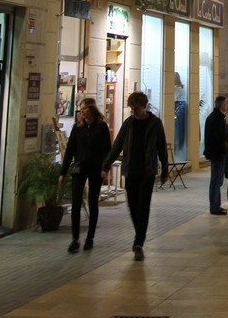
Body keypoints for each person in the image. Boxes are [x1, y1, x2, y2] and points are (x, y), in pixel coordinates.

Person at [101, 91, 168, 261]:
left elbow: (161, 148)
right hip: (130, 170)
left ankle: (139, 243)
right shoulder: (128, 124)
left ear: (143, 106)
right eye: (132, 108)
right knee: (132, 205)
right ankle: (139, 234)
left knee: (143, 205)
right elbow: (117, 146)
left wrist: (165, 170)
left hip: (148, 171)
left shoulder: (155, 123)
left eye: (136, 108)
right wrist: (106, 165)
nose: (134, 111)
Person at [59, 99, 111, 253]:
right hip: (79, 169)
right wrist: (63, 172)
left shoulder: (101, 128)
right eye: (80, 109)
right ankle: (75, 239)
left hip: (95, 169)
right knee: (76, 203)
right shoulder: (77, 128)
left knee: (93, 202)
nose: (81, 111)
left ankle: (90, 237)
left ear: (91, 109)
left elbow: (107, 150)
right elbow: (70, 151)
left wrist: (105, 168)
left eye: (84, 108)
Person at [203, 94, 227, 214]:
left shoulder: (212, 117)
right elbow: (219, 138)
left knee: (217, 181)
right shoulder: (217, 119)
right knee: (216, 181)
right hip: (218, 154)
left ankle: (216, 204)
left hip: (215, 153)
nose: (227, 106)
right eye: (225, 104)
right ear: (221, 105)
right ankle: (214, 207)